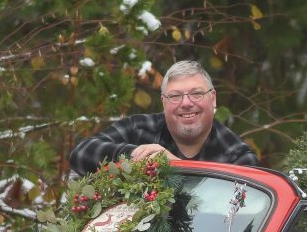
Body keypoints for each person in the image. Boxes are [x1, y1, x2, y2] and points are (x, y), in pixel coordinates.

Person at [69, 60, 259, 174]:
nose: (186, 103)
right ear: (163, 102)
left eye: (196, 93)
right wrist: (135, 155)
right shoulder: (139, 129)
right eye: (175, 96)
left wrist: (176, 166)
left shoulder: (237, 156)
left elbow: (246, 206)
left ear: (213, 98)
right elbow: (80, 154)